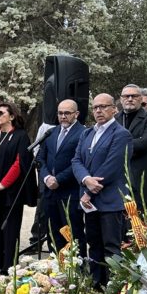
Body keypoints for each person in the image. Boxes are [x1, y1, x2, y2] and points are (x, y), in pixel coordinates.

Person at [72, 93, 132, 288]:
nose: (99, 110)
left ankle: (114, 289)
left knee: (111, 248)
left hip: (109, 201)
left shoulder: (121, 134)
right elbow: (76, 160)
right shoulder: (87, 133)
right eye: (96, 107)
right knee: (94, 245)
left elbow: (112, 166)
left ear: (114, 109)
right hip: (90, 202)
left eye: (104, 107)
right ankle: (97, 287)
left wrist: (89, 191)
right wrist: (85, 178)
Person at [0, 102, 31, 272]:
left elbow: (19, 163)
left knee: (9, 229)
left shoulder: (20, 136)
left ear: (11, 116)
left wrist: (2, 184)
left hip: (10, 192)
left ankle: (8, 265)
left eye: (1, 112)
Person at [39, 99, 85, 259]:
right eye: (60, 113)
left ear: (76, 114)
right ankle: (55, 265)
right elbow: (41, 158)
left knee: (72, 233)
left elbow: (79, 162)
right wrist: (46, 178)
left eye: (67, 113)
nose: (63, 116)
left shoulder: (83, 133)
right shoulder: (52, 132)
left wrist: (58, 179)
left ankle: (76, 269)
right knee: (53, 231)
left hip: (69, 192)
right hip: (50, 192)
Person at [115, 83, 147, 217]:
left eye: (134, 96)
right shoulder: (114, 120)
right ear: (121, 99)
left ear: (140, 98)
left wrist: (116, 146)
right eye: (126, 96)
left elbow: (146, 143)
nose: (130, 99)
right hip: (118, 184)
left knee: (141, 230)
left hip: (142, 183)